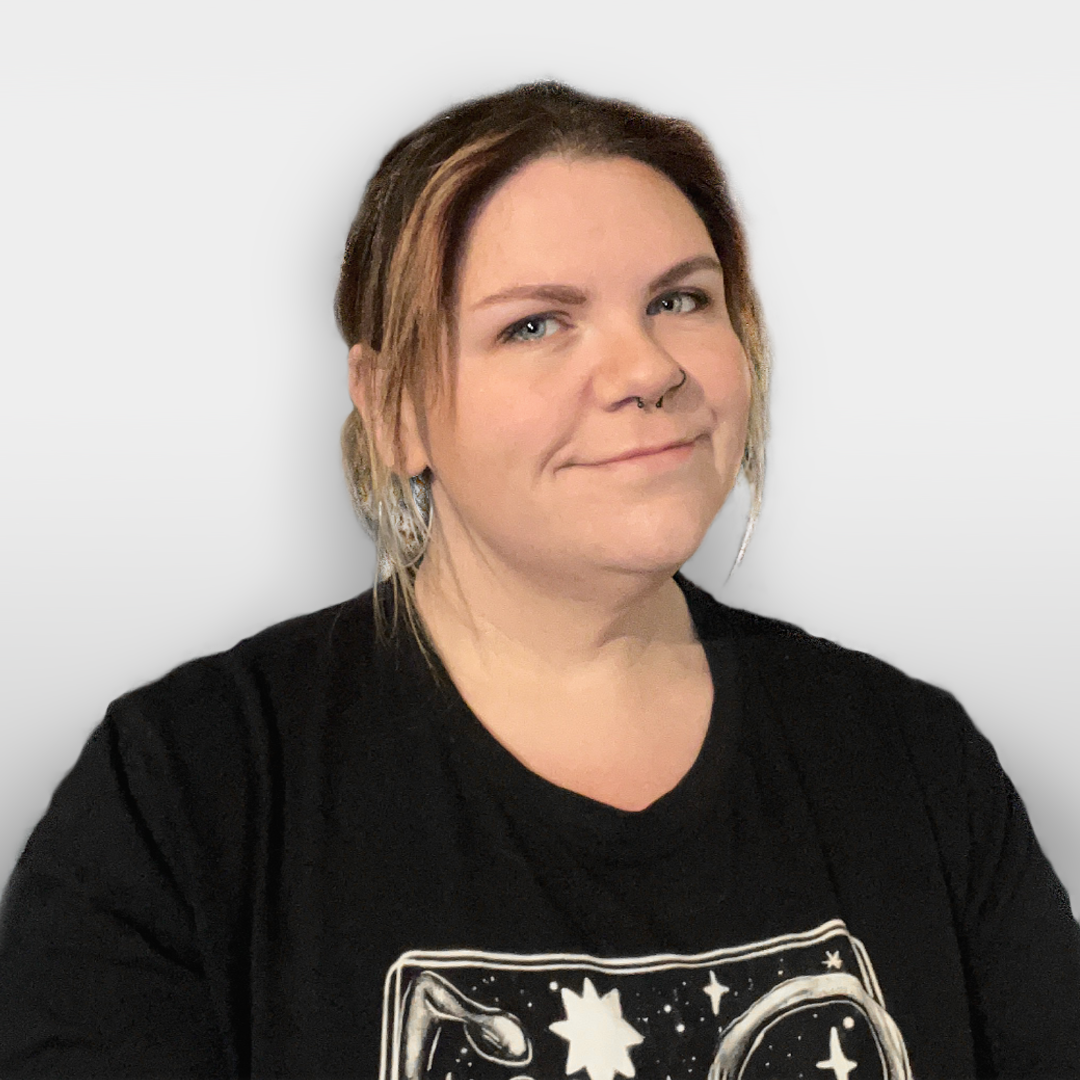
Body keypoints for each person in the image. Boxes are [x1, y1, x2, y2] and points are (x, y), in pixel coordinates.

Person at [0, 80, 1077, 1079]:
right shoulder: (191, 788)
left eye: (682, 302)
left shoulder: (913, 764)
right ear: (394, 409)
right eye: (534, 323)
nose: (649, 370)